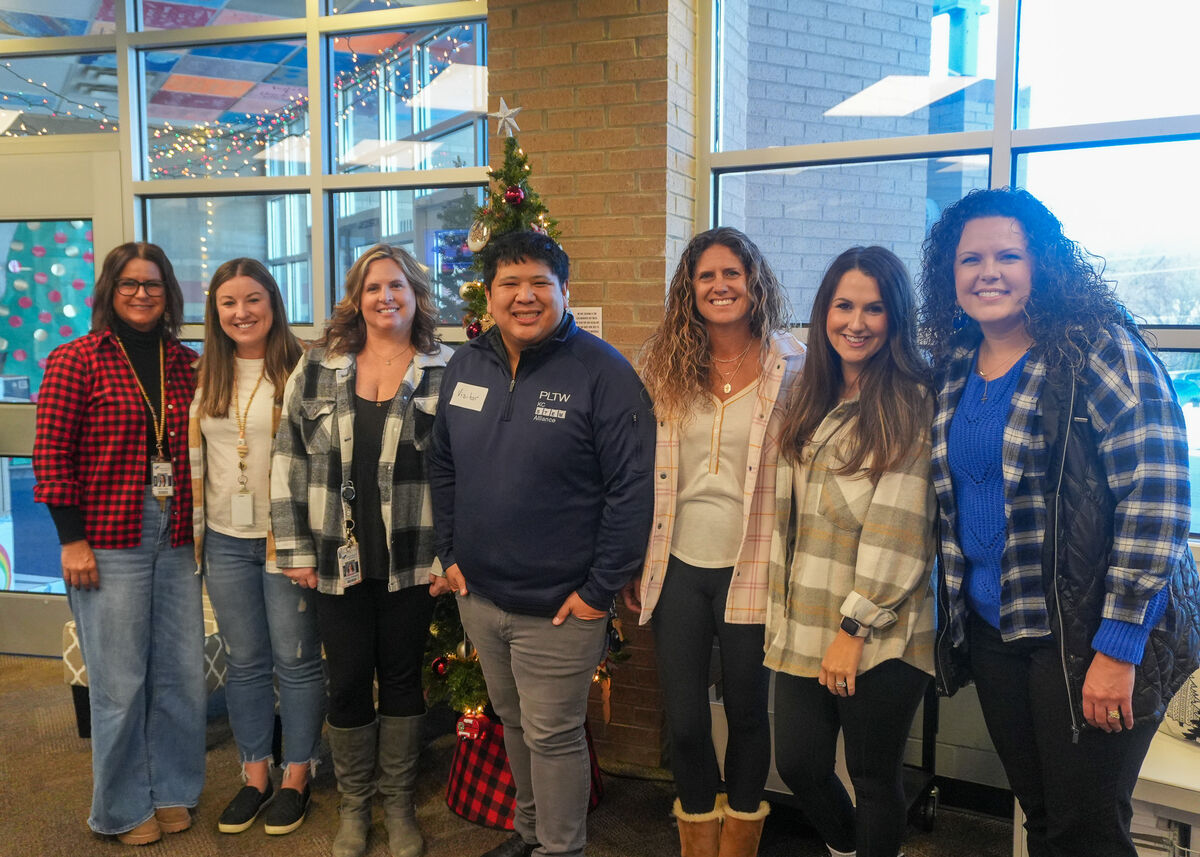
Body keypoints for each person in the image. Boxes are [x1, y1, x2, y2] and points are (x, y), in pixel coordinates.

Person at [918, 187, 1200, 857]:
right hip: (997, 630)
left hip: (1089, 635)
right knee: (1042, 817)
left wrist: (1118, 646)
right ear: (948, 275)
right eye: (970, 259)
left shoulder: (1098, 348)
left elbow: (1157, 496)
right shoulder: (957, 366)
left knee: (1087, 830)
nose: (989, 272)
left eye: (1008, 255)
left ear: (1042, 264)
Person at [429, 230, 655, 857]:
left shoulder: (603, 373)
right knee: (514, 724)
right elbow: (442, 466)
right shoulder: (466, 365)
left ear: (563, 290)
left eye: (538, 284)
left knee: (553, 735)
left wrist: (597, 591)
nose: (524, 297)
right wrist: (449, 554)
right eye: (510, 284)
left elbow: (631, 490)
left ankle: (561, 848)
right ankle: (528, 834)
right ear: (490, 293)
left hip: (561, 606)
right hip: (479, 596)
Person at [623, 227, 803, 857]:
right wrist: (628, 561)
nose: (721, 286)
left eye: (733, 273)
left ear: (754, 283)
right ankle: (698, 835)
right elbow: (635, 469)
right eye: (706, 276)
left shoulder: (794, 365)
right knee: (689, 720)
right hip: (676, 566)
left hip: (755, 566)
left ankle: (740, 844)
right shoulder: (663, 366)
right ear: (689, 289)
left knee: (751, 715)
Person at [272, 244, 455, 857]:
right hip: (332, 558)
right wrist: (293, 547)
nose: (386, 297)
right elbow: (288, 458)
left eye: (397, 286)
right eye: (374, 287)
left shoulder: (444, 369)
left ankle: (397, 805)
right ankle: (355, 807)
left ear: (415, 295)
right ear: (357, 297)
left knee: (402, 679)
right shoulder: (318, 367)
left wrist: (449, 557)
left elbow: (467, 472)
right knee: (347, 680)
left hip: (414, 557)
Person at [766, 247, 935, 857]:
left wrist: (854, 627)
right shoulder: (811, 395)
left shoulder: (911, 400)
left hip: (880, 630)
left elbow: (903, 524)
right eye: (843, 306)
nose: (855, 322)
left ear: (896, 318)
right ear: (824, 311)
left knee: (872, 779)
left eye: (874, 308)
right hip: (804, 619)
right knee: (801, 765)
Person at [33, 242, 204, 846]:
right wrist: (71, 540)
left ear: (168, 294)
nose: (141, 294)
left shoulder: (185, 363)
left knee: (180, 675)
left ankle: (173, 789)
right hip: (106, 537)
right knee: (120, 682)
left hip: (177, 532)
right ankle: (123, 807)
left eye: (153, 285)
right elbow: (51, 458)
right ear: (110, 291)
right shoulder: (75, 360)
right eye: (129, 284)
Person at [189, 258, 323, 836]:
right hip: (223, 538)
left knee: (295, 662)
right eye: (228, 303)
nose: (241, 312)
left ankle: (297, 774)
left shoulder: (304, 367)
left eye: (252, 300)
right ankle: (254, 774)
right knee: (245, 664)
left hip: (286, 540)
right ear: (215, 312)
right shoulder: (204, 375)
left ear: (273, 302)